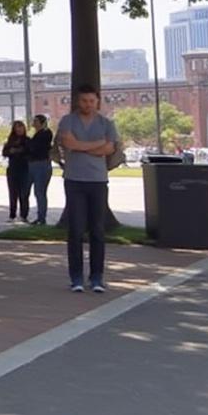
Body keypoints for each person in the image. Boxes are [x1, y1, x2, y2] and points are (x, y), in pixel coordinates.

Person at [56, 84, 119, 293]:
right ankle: (76, 277)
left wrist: (80, 145)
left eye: (92, 101)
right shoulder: (68, 121)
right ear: (77, 102)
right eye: (84, 101)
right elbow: (69, 144)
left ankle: (97, 277)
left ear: (98, 102)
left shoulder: (106, 123)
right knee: (75, 229)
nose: (88, 105)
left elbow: (109, 147)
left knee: (97, 230)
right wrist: (95, 145)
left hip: (98, 181)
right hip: (74, 180)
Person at [1, 120, 31, 222]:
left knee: (24, 193)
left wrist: (18, 150)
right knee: (13, 193)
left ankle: (24, 215)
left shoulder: (27, 140)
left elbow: (29, 151)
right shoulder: (10, 140)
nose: (19, 129)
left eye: (21, 127)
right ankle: (12, 214)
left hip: (24, 169)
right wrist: (11, 151)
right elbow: (4, 152)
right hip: (12, 169)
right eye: (17, 128)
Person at [28, 114, 55, 225]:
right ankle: (40, 216)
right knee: (37, 192)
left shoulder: (45, 133)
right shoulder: (37, 134)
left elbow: (37, 148)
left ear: (41, 122)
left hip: (41, 164)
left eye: (36, 121)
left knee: (40, 191)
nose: (33, 123)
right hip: (34, 164)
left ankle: (41, 217)